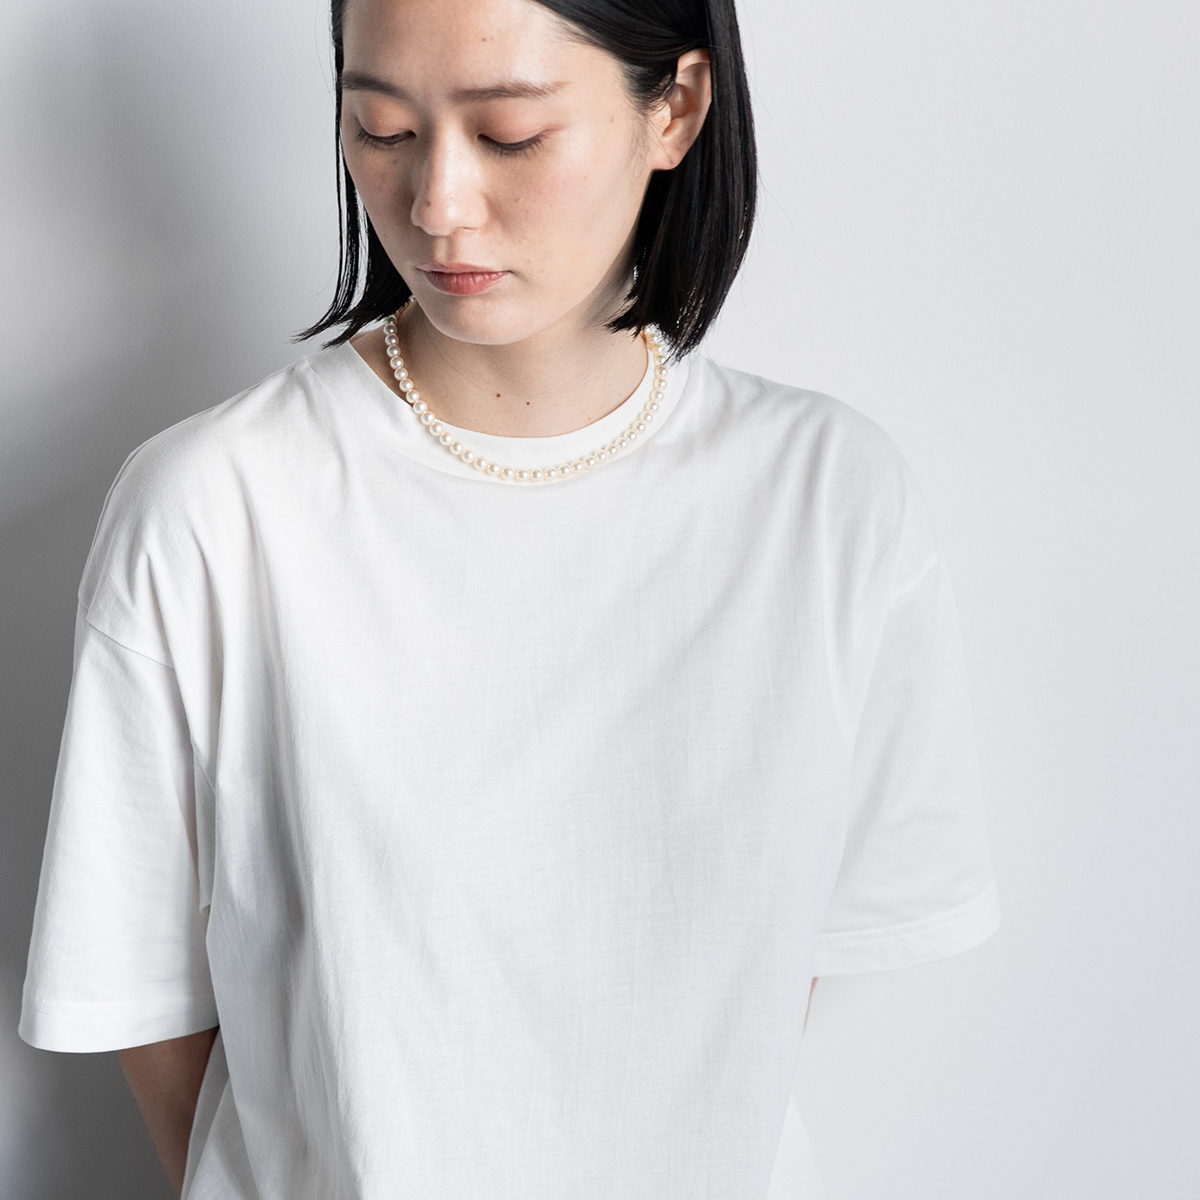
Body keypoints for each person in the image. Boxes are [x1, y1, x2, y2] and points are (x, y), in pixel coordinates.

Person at [18, 0, 1000, 1196]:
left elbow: (767, 975)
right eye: (383, 129)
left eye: (511, 135)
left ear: (677, 109)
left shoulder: (829, 498)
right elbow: (144, 997)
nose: (437, 205)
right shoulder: (216, 506)